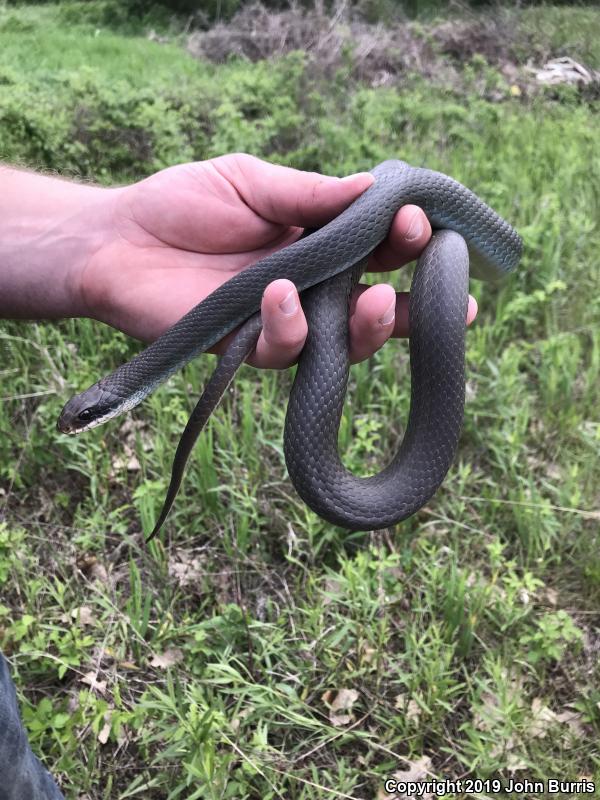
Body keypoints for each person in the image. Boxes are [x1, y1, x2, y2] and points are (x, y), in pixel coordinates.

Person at [0, 153, 477, 797]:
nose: (81, 422)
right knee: (366, 277)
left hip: (392, 229)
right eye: (86, 416)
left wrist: (107, 231)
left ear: (112, 400)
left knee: (432, 242)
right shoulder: (164, 349)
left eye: (87, 417)